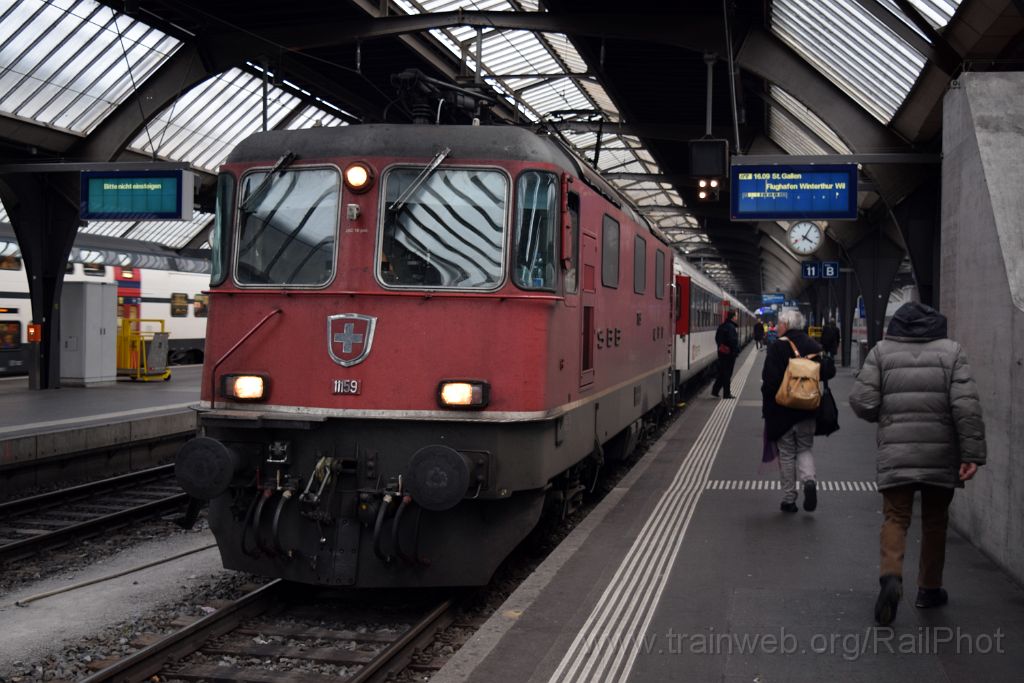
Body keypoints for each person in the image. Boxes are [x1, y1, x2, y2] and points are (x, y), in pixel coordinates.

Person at [849, 302, 986, 626]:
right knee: (935, 521)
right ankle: (929, 588)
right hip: (940, 454)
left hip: (897, 453)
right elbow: (966, 407)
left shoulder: (882, 351)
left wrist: (885, 414)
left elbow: (863, 402)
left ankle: (891, 577)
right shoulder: (952, 352)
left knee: (896, 517)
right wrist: (971, 455)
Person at [761, 308, 834, 513]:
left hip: (782, 409)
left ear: (786, 325)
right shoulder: (813, 345)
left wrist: (768, 408)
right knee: (804, 448)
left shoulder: (777, 347)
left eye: (779, 324)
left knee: (786, 453)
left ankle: (789, 499)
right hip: (808, 408)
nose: (777, 327)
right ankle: (809, 481)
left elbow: (769, 381)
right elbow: (829, 371)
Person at [711, 310, 740, 399]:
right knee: (727, 374)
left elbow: (717, 338)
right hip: (729, 354)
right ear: (733, 317)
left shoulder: (722, 326)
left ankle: (715, 391)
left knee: (722, 372)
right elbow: (733, 341)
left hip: (722, 353)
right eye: (736, 316)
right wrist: (734, 350)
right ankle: (726, 394)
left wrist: (721, 346)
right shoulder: (731, 327)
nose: (737, 317)